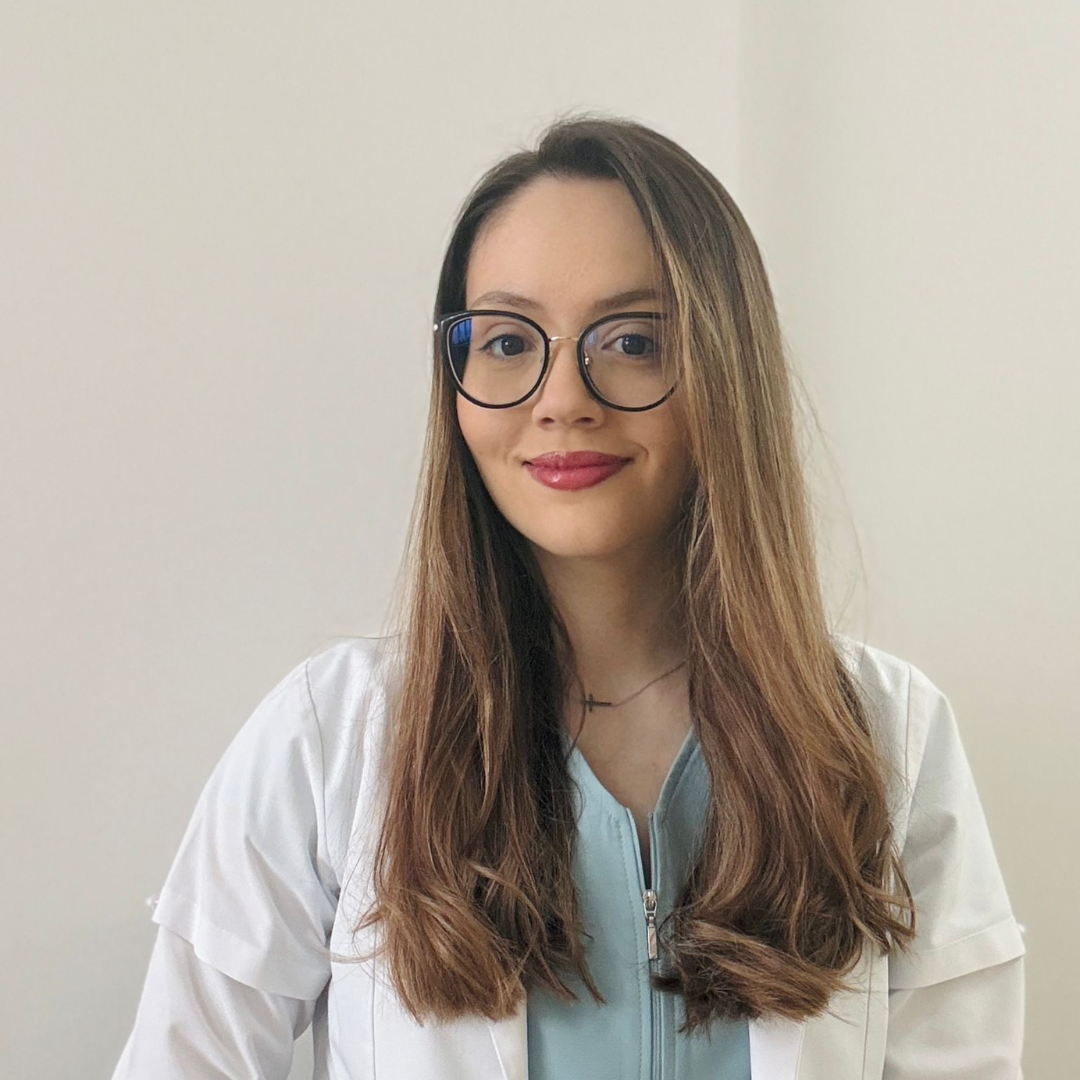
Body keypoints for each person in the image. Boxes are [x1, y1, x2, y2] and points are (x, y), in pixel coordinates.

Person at [110, 112, 1027, 1079]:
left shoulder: (888, 736)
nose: (561, 400)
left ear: (726, 369)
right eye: (508, 342)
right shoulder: (331, 738)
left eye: (631, 339)